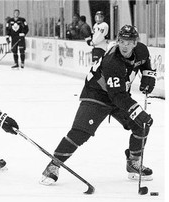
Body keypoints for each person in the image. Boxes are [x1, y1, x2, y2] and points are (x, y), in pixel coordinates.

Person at [40, 25, 156, 186]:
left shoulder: (142, 50)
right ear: (117, 41)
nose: (125, 46)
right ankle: (53, 165)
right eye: (122, 41)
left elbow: (145, 63)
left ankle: (133, 163)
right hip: (96, 94)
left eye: (129, 42)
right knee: (80, 132)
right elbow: (117, 96)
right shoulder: (112, 61)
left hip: (119, 94)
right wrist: (137, 111)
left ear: (136, 43)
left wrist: (148, 75)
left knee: (141, 125)